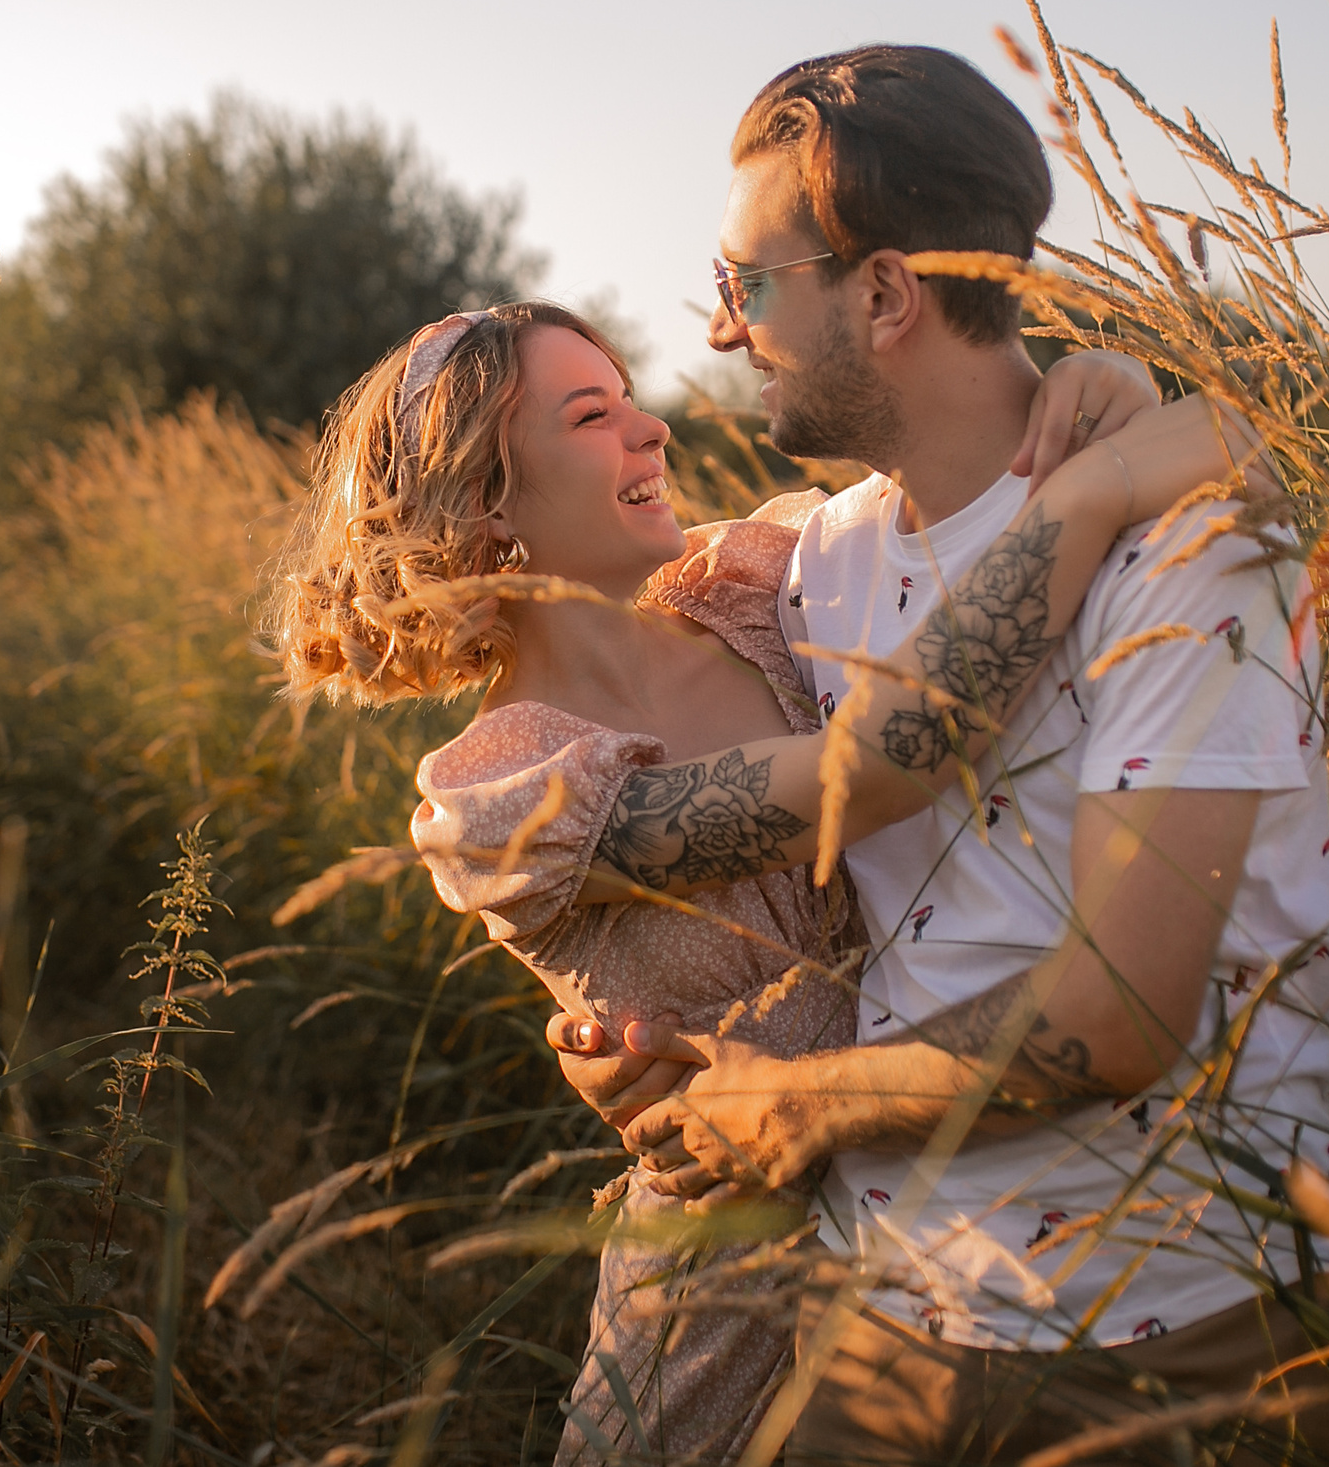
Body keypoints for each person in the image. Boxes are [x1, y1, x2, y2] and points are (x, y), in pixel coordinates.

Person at [552, 45, 1329, 1464]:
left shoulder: (1197, 548)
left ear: (882, 294)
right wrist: (626, 1033)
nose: (724, 327)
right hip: (897, 1302)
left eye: (747, 281)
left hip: (1175, 1321)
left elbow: (1113, 1015)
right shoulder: (817, 561)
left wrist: (790, 1106)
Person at [270, 291, 1246, 1464]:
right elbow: (878, 770)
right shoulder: (499, 797)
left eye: (633, 398)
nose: (652, 430)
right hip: (733, 1270)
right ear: (487, 497)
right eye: (592, 415)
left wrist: (1097, 394)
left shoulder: (754, 588)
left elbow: (975, 507)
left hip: (951, 1175)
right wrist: (1094, 488)